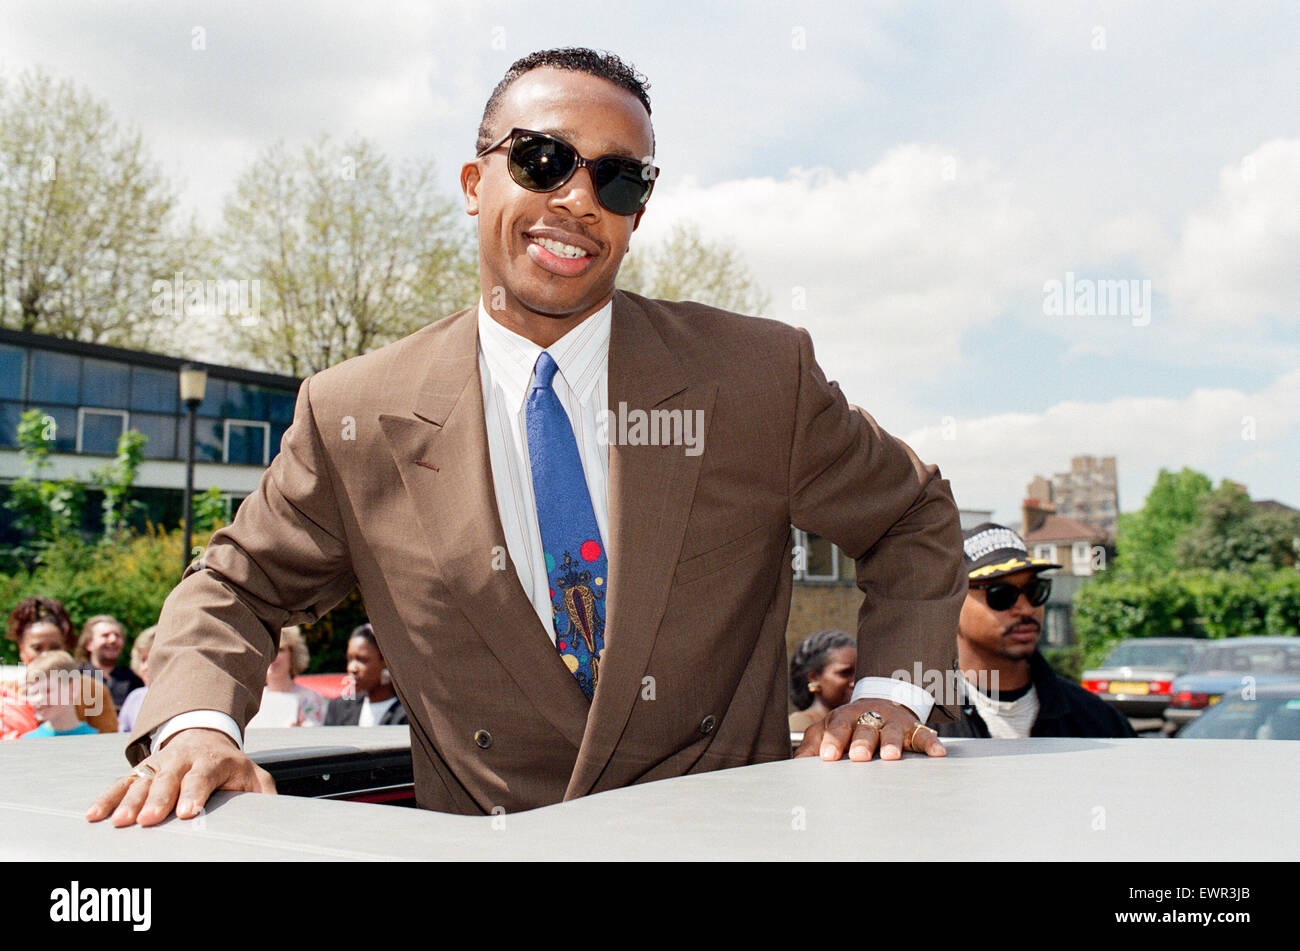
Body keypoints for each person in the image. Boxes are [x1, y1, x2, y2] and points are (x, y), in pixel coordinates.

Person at [90, 48, 966, 827]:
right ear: (476, 184)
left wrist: (893, 693)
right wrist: (200, 726)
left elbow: (912, 516)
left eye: (619, 179)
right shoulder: (356, 411)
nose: (578, 199)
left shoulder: (755, 376)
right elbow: (234, 587)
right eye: (541, 160)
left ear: (638, 212)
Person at [936, 523, 1137, 739]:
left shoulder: (1098, 722)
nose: (1026, 609)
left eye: (1035, 591)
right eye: (1001, 594)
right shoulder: (917, 722)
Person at [3, 597, 116, 740]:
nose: (46, 654)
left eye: (55, 647)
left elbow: (109, 743)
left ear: (66, 648)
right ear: (22, 651)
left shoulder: (93, 690)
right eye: (37, 648)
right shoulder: (7, 694)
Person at [324, 624, 407, 726]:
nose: (352, 668)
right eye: (350, 659)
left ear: (387, 661)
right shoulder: (338, 709)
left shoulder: (408, 715)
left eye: (362, 660)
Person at [246, 626, 327, 728]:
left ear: (293, 655)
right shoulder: (250, 699)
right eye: (266, 650)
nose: (272, 656)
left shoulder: (310, 699)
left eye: (279, 650)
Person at [788, 630, 856, 733]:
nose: (854, 683)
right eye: (845, 673)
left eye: (859, 673)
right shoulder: (800, 725)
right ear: (813, 678)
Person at [22, 650, 99, 737]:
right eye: (34, 693)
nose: (39, 699)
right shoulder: (27, 742)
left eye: (47, 691)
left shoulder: (95, 739)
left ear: (73, 689)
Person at [77, 614, 144, 710]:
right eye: (105, 635)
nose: (113, 640)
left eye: (117, 636)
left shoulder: (135, 679)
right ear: (89, 644)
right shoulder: (75, 676)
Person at [116, 626, 157, 734]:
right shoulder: (135, 698)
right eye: (143, 660)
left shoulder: (186, 699)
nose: (146, 667)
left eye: (153, 658)